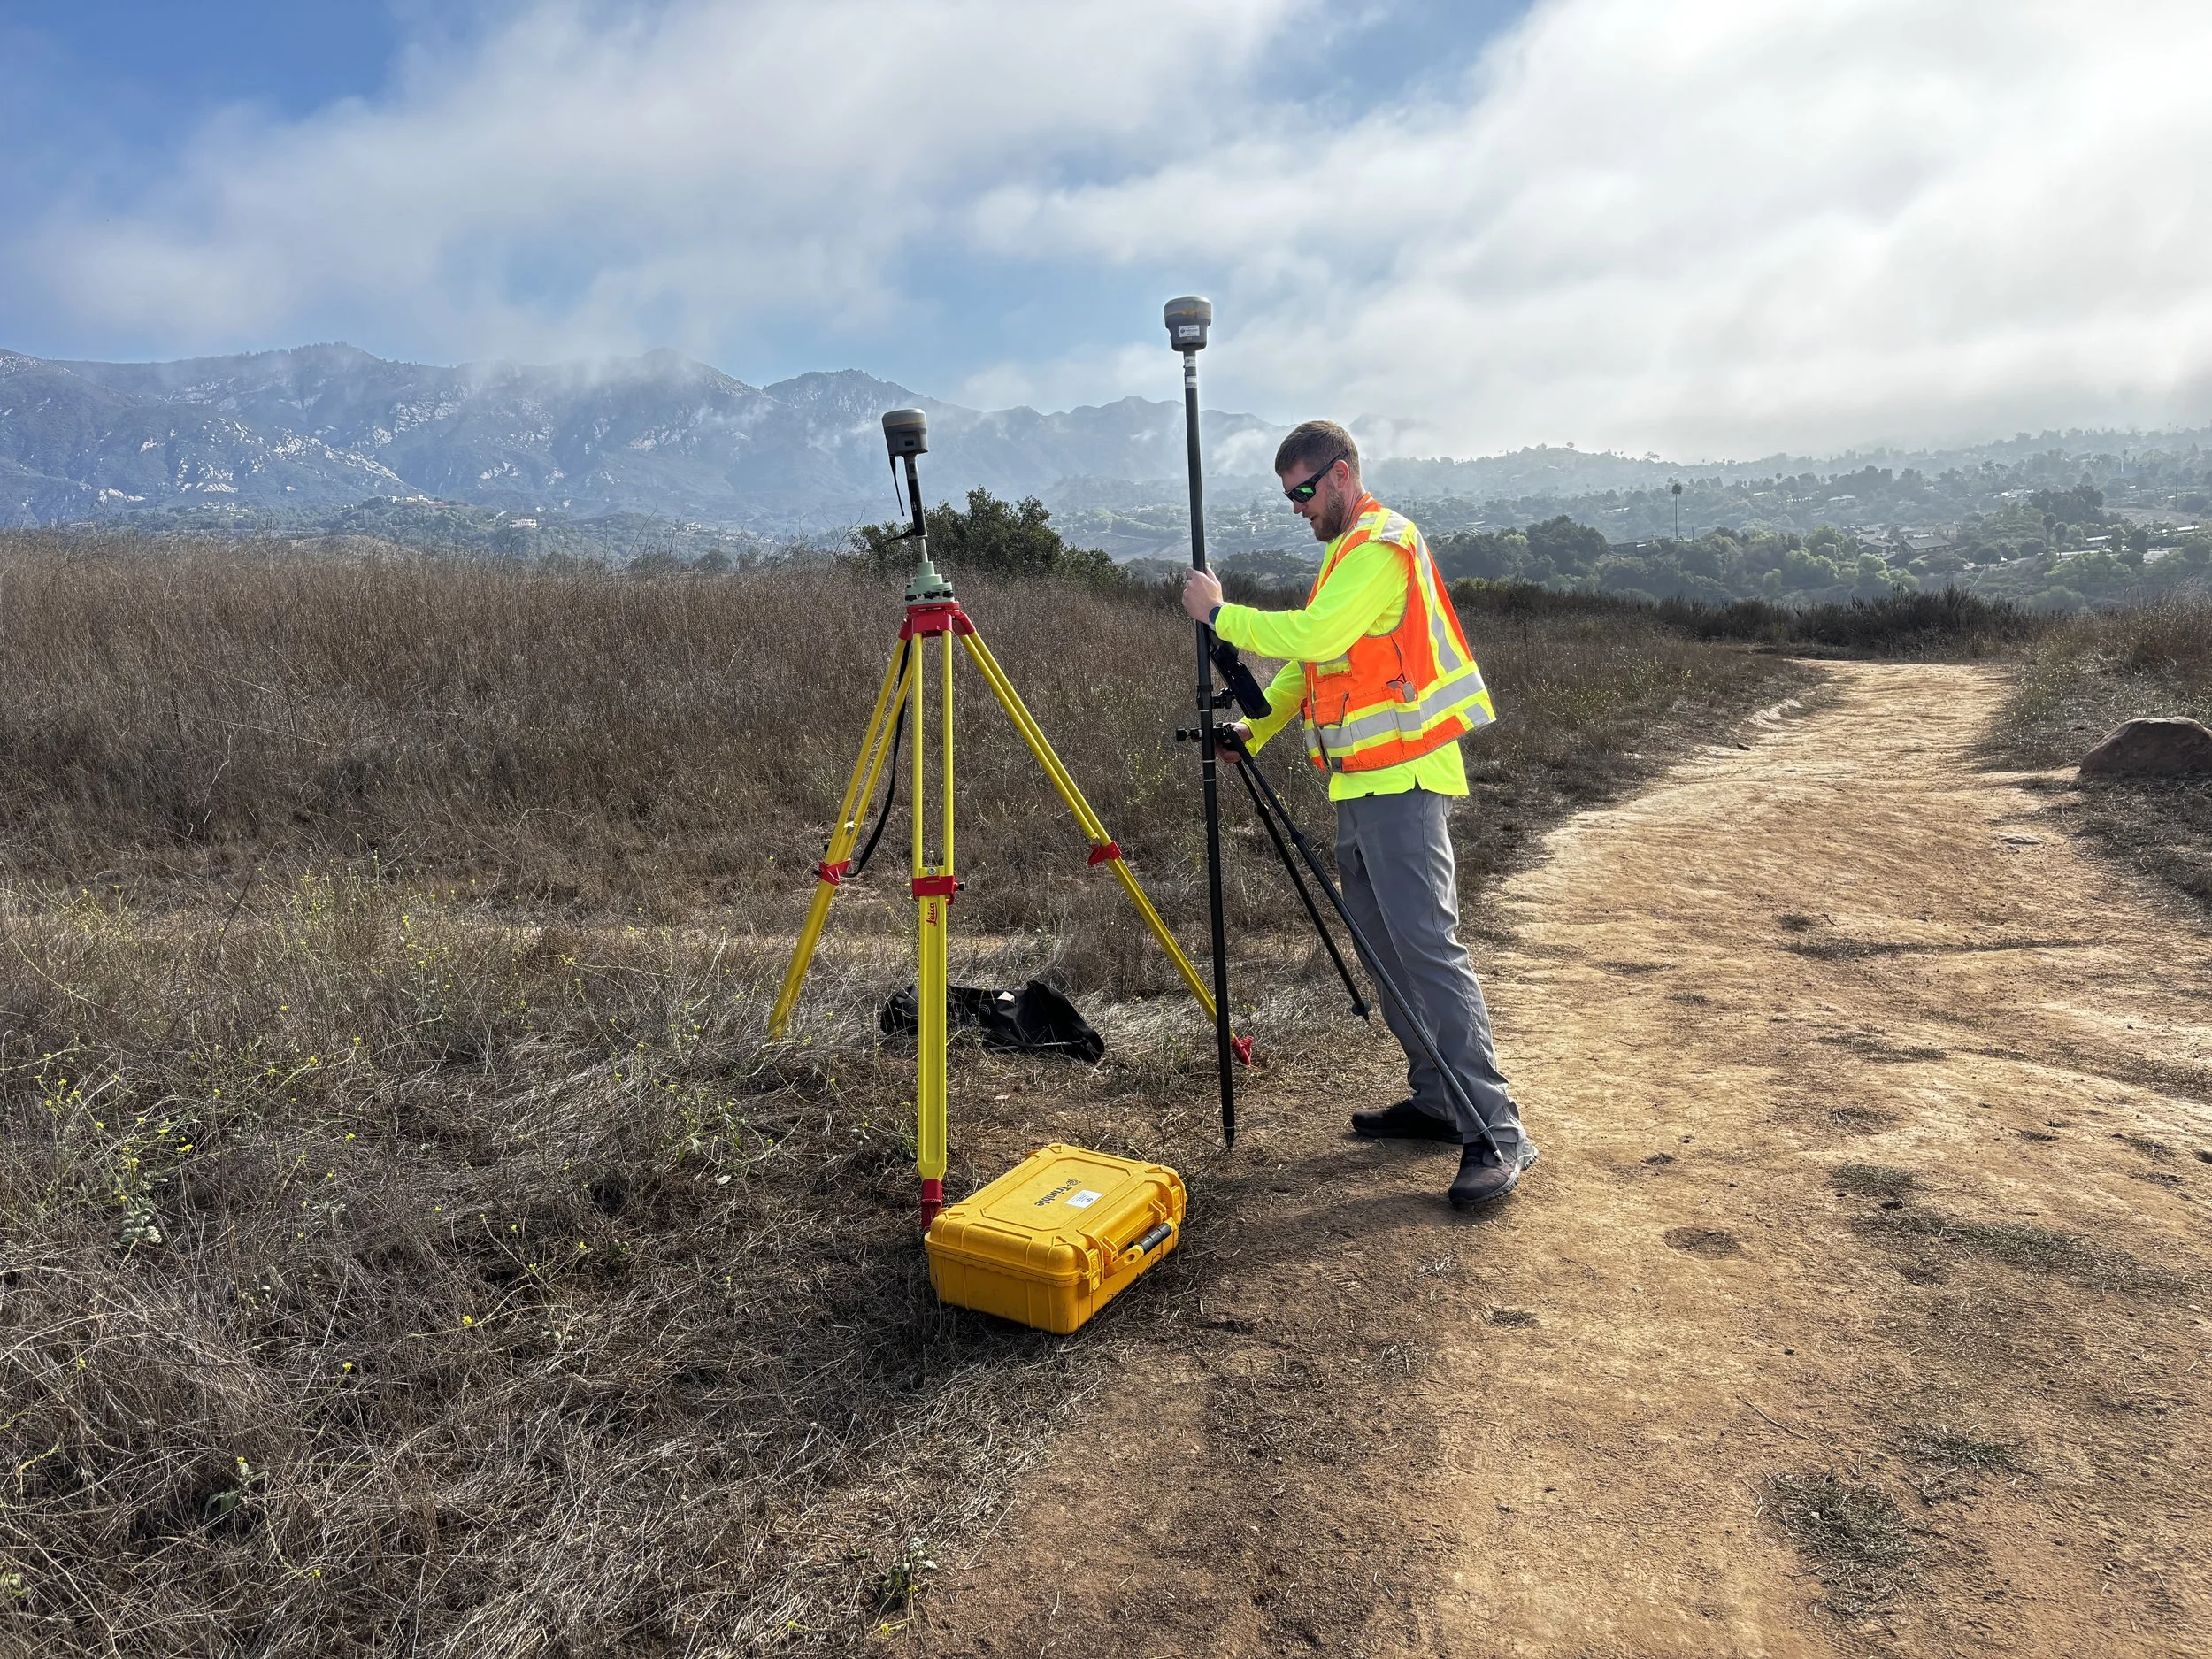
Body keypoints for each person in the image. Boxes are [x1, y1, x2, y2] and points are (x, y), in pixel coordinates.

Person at [1179, 420, 1534, 1207]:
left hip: (1405, 783)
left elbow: (1315, 634)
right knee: (1386, 953)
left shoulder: (1382, 545)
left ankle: (1497, 1130)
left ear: (1341, 475)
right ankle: (1438, 1100)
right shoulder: (1342, 558)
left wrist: (1220, 614)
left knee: (1429, 952)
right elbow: (1311, 670)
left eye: (1305, 490)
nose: (1298, 507)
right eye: (1289, 496)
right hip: (1359, 789)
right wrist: (1253, 731)